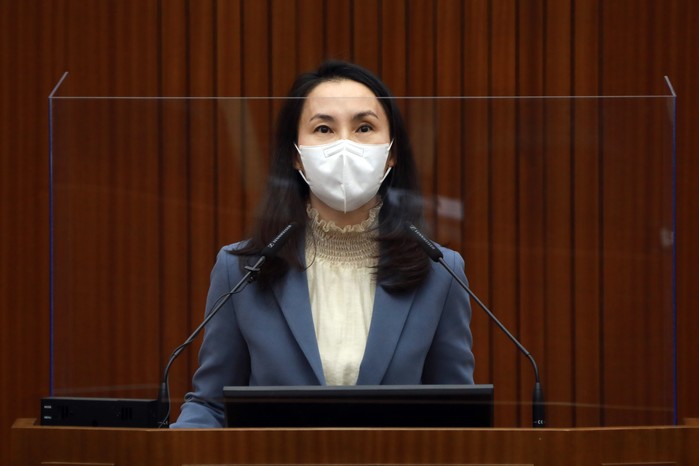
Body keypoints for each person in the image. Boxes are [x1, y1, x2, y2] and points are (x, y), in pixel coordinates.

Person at [171, 60, 475, 428]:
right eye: (324, 128)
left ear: (391, 152)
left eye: (364, 127)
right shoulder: (242, 270)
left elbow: (458, 416)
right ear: (297, 155)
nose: (345, 144)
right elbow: (212, 406)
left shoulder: (440, 272)